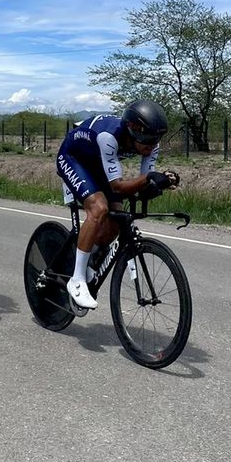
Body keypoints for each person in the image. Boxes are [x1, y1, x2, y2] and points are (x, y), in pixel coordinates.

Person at [56, 99, 180, 311]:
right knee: (99, 208)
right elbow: (119, 187)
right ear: (131, 129)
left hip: (98, 162)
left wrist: (161, 182)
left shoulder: (151, 144)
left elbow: (143, 183)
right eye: (146, 139)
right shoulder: (109, 137)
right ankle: (76, 279)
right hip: (73, 158)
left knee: (117, 219)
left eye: (156, 139)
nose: (150, 146)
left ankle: (90, 260)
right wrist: (149, 178)